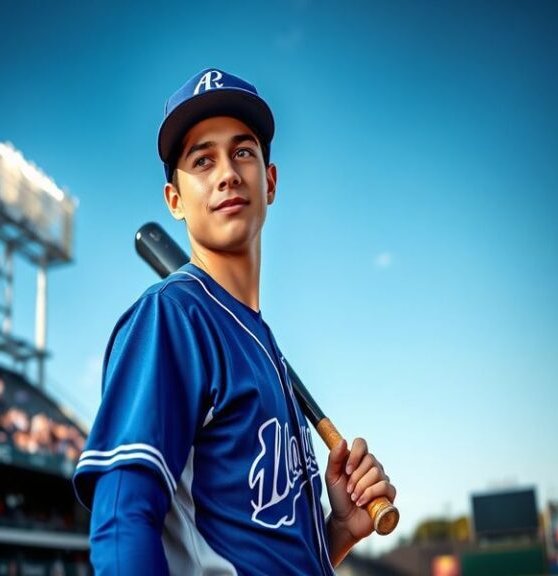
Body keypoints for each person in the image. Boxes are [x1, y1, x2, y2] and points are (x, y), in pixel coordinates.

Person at [73, 68, 397, 574]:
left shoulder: (264, 345)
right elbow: (120, 522)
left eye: (242, 152)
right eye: (202, 160)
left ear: (269, 181)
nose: (227, 172)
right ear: (174, 200)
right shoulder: (173, 316)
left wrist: (334, 535)